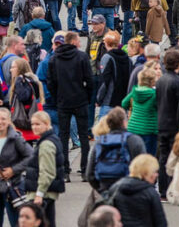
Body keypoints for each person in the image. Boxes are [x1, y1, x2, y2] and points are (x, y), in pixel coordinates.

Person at [47, 31, 93, 181]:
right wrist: (87, 96)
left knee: (63, 136)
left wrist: (57, 97)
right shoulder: (82, 57)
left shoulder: (54, 59)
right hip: (80, 100)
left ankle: (65, 170)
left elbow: (50, 82)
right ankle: (85, 169)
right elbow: (89, 80)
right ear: (73, 42)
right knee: (83, 136)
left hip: (63, 101)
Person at [0, 107, 33, 227]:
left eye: (3, 119)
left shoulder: (16, 138)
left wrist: (14, 170)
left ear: (8, 121)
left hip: (12, 186)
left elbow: (31, 156)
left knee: (15, 223)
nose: (0, 122)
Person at [85, 107, 145, 193]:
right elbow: (144, 170)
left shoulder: (100, 142)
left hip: (105, 187)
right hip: (129, 189)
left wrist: (101, 190)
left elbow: (90, 174)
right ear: (124, 122)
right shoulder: (134, 140)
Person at [154, 50, 179, 195]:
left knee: (163, 157)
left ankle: (163, 189)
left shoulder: (160, 80)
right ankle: (172, 187)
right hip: (174, 124)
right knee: (175, 157)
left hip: (162, 122)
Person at [25, 111, 65, 227]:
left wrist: (39, 193)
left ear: (47, 124)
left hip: (43, 193)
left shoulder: (46, 144)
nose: (34, 127)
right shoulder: (51, 139)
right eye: (32, 124)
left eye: (38, 124)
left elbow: (47, 172)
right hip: (47, 192)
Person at [106, 154, 168, 227]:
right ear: (146, 172)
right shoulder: (150, 193)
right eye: (154, 172)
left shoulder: (115, 188)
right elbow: (160, 222)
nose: (156, 175)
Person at [122, 68, 158, 152]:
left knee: (133, 155)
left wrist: (134, 108)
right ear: (152, 81)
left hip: (132, 128)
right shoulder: (154, 94)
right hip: (148, 130)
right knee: (148, 157)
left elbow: (124, 103)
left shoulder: (135, 91)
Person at [97, 31, 131, 117]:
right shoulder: (127, 58)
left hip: (109, 102)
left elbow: (105, 81)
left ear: (107, 43)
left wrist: (99, 99)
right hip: (123, 102)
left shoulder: (107, 57)